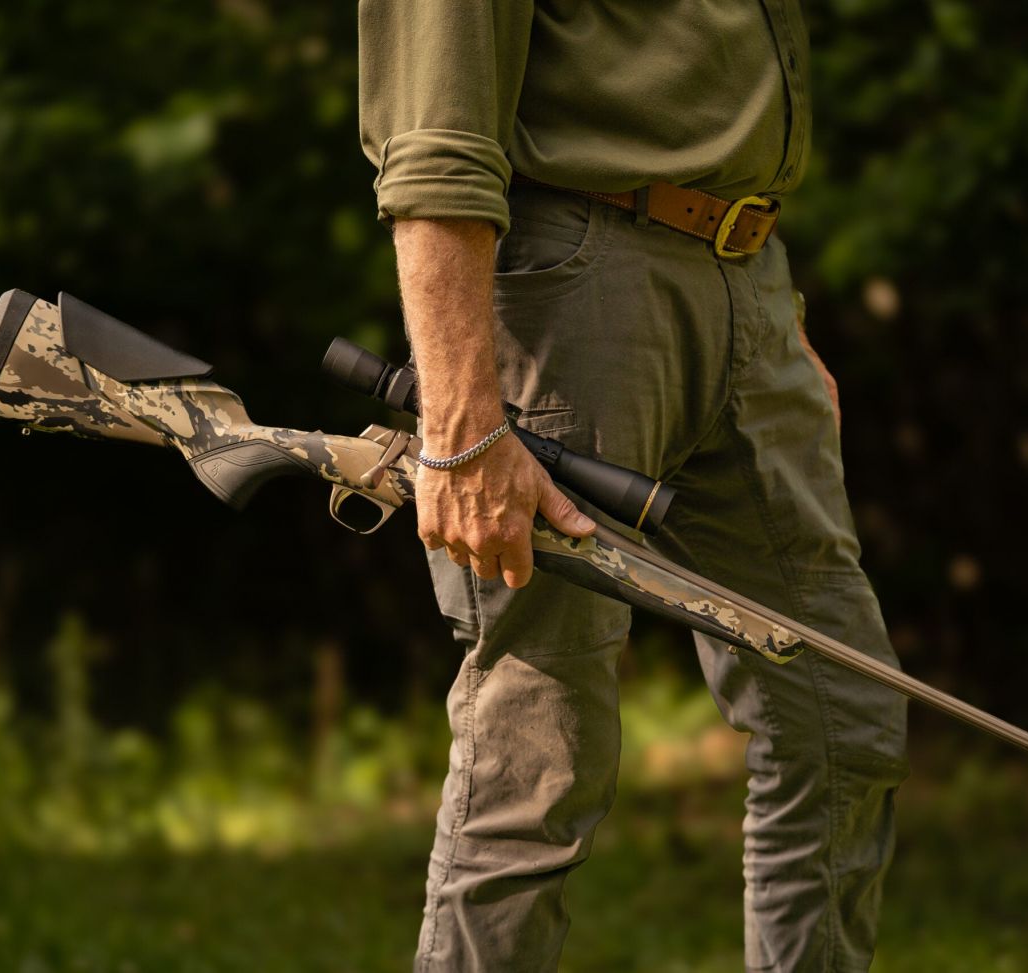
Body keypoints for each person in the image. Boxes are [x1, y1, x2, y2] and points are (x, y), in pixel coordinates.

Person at [358, 4, 909, 970]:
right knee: (536, 758)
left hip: (746, 275)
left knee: (841, 715)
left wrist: (768, 312)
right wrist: (460, 427)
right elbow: (436, 137)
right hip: (574, 281)